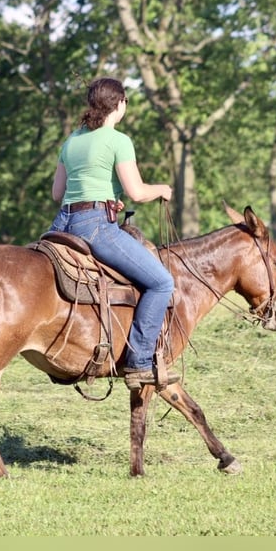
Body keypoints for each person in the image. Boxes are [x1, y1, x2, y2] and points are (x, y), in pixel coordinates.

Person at [48, 77, 179, 391]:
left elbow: (57, 193)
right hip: (94, 227)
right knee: (162, 282)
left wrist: (107, 197)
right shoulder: (118, 140)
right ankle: (139, 363)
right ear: (119, 104)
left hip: (61, 224)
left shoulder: (72, 140)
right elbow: (136, 191)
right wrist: (162, 189)